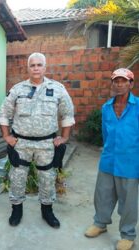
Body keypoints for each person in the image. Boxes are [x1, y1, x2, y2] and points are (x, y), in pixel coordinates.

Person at [0, 52, 75, 228]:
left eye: (39, 65)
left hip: (46, 144)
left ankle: (47, 211)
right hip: (21, 143)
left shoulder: (58, 89)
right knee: (17, 177)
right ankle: (16, 210)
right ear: (28, 68)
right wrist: (6, 136)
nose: (36, 68)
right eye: (32, 65)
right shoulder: (17, 89)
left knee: (47, 177)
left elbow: (68, 114)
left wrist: (65, 137)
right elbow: (4, 114)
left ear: (45, 67)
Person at [84, 68, 139, 250]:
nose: (119, 84)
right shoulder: (106, 107)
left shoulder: (137, 106)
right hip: (108, 160)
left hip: (130, 163)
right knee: (103, 195)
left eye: (124, 81)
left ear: (131, 84)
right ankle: (100, 223)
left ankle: (128, 234)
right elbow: (106, 134)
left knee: (128, 201)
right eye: (116, 81)